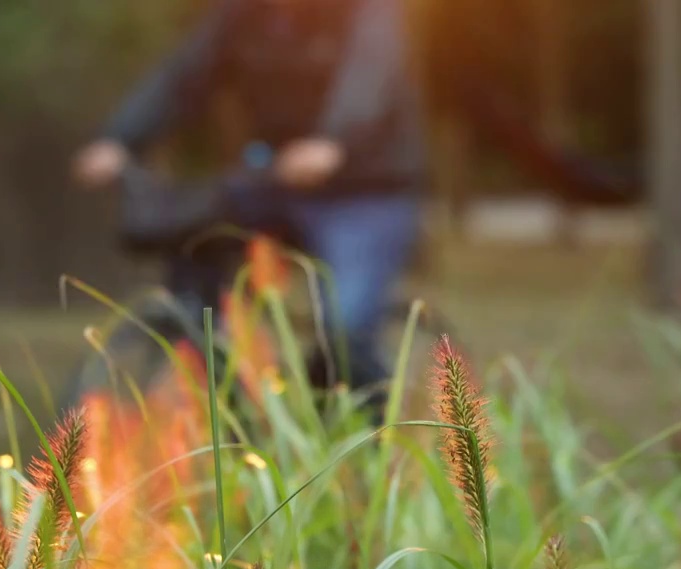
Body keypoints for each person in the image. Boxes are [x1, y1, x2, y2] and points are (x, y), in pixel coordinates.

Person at [72, 0, 426, 416]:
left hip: (366, 186)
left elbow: (370, 74)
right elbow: (183, 77)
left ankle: (363, 443)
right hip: (277, 177)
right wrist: (121, 139)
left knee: (345, 327)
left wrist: (335, 140)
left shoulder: (369, 11)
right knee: (195, 237)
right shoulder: (243, 13)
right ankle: (220, 381)